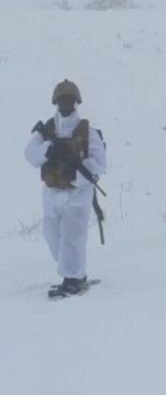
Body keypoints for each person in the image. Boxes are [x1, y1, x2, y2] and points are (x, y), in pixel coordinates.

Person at [24, 79, 107, 294]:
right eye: (62, 100)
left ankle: (71, 280)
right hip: (52, 193)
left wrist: (76, 172)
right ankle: (77, 273)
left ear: (76, 102)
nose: (66, 103)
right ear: (56, 102)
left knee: (72, 236)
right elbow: (30, 153)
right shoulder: (48, 129)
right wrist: (47, 150)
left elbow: (100, 164)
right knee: (52, 236)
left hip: (78, 193)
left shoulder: (87, 131)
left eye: (70, 100)